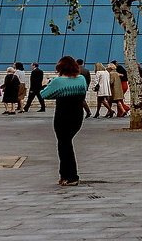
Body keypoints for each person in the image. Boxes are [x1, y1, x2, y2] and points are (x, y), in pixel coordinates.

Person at [39, 56, 89, 186]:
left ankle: (71, 176)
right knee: (65, 144)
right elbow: (83, 92)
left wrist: (46, 84)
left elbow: (44, 95)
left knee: (64, 145)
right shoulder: (81, 79)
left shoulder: (58, 81)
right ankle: (64, 175)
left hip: (62, 116)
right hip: (77, 115)